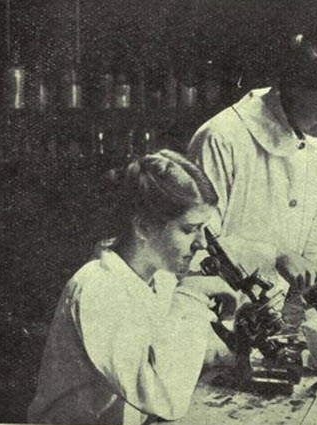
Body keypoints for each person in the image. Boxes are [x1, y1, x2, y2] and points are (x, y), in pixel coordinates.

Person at [28, 150, 230, 424]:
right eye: (188, 229)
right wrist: (190, 298)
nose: (202, 243)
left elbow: (166, 355)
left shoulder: (159, 278)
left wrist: (233, 341)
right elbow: (165, 399)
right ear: (144, 227)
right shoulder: (98, 291)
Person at [188, 20, 317, 293]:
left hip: (282, 319)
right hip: (215, 312)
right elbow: (195, 244)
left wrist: (315, 309)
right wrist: (274, 256)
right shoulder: (222, 137)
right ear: (297, 85)